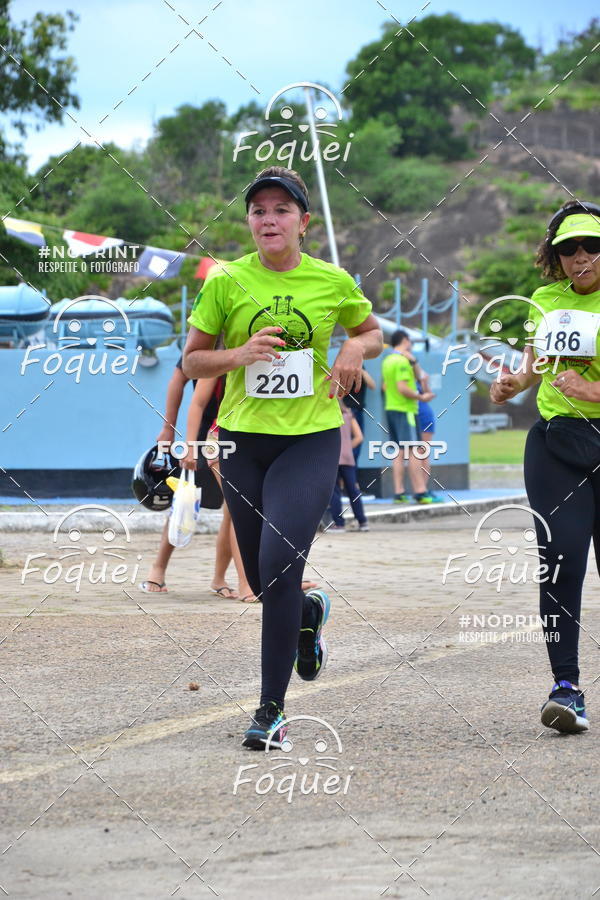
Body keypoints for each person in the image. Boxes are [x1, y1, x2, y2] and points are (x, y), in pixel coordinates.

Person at [183, 165, 382, 749]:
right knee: (271, 581)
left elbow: (370, 331)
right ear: (249, 222)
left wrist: (351, 347)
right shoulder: (224, 281)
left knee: (277, 564)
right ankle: (306, 615)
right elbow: (194, 362)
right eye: (258, 211)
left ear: (303, 223)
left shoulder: (331, 280)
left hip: (311, 438)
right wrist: (238, 354)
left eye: (281, 210)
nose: (268, 219)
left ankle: (270, 712)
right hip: (243, 443)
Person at [490, 199, 600, 734]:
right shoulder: (544, 299)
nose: (581, 257)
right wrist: (514, 382)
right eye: (569, 249)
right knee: (560, 562)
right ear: (555, 256)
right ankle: (565, 688)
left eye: (592, 246)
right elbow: (536, 365)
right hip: (557, 443)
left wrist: (593, 389)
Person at [140, 357, 252, 600]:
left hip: (245, 433)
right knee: (186, 501)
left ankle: (222, 579)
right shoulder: (213, 347)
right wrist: (172, 431)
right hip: (208, 434)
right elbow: (181, 384)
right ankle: (158, 567)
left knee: (232, 510)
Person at [381, 330, 435, 504]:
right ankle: (420, 491)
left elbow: (385, 387)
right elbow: (403, 388)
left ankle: (399, 492)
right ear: (405, 340)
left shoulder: (387, 360)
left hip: (391, 408)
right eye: (410, 341)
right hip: (406, 410)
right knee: (414, 450)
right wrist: (421, 397)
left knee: (398, 452)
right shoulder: (402, 361)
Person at [328, 398, 369, 532]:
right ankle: (362, 522)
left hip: (332, 458)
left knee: (334, 491)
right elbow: (359, 437)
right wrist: (347, 447)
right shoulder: (349, 416)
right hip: (348, 458)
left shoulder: (328, 417)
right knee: (353, 490)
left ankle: (339, 524)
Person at [346, 367, 376, 462]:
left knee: (357, 445)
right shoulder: (345, 368)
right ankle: (345, 468)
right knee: (352, 441)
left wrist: (361, 370)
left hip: (358, 410)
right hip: (348, 411)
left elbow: (372, 385)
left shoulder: (361, 369)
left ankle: (350, 469)